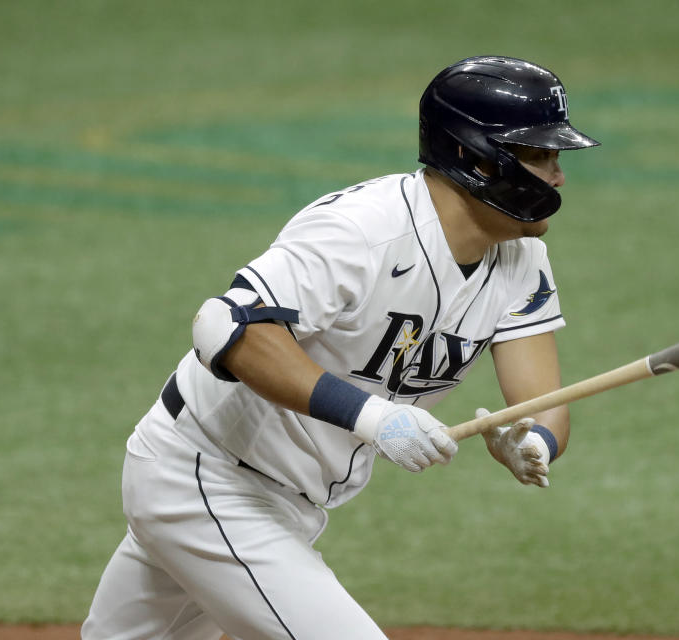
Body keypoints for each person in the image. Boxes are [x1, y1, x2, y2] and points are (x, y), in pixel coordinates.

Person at [82, 55, 600, 640]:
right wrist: (375, 418)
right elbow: (229, 330)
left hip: (284, 501)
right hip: (207, 479)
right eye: (541, 156)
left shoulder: (520, 258)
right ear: (476, 157)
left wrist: (535, 439)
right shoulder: (364, 230)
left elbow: (544, 397)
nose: (558, 176)